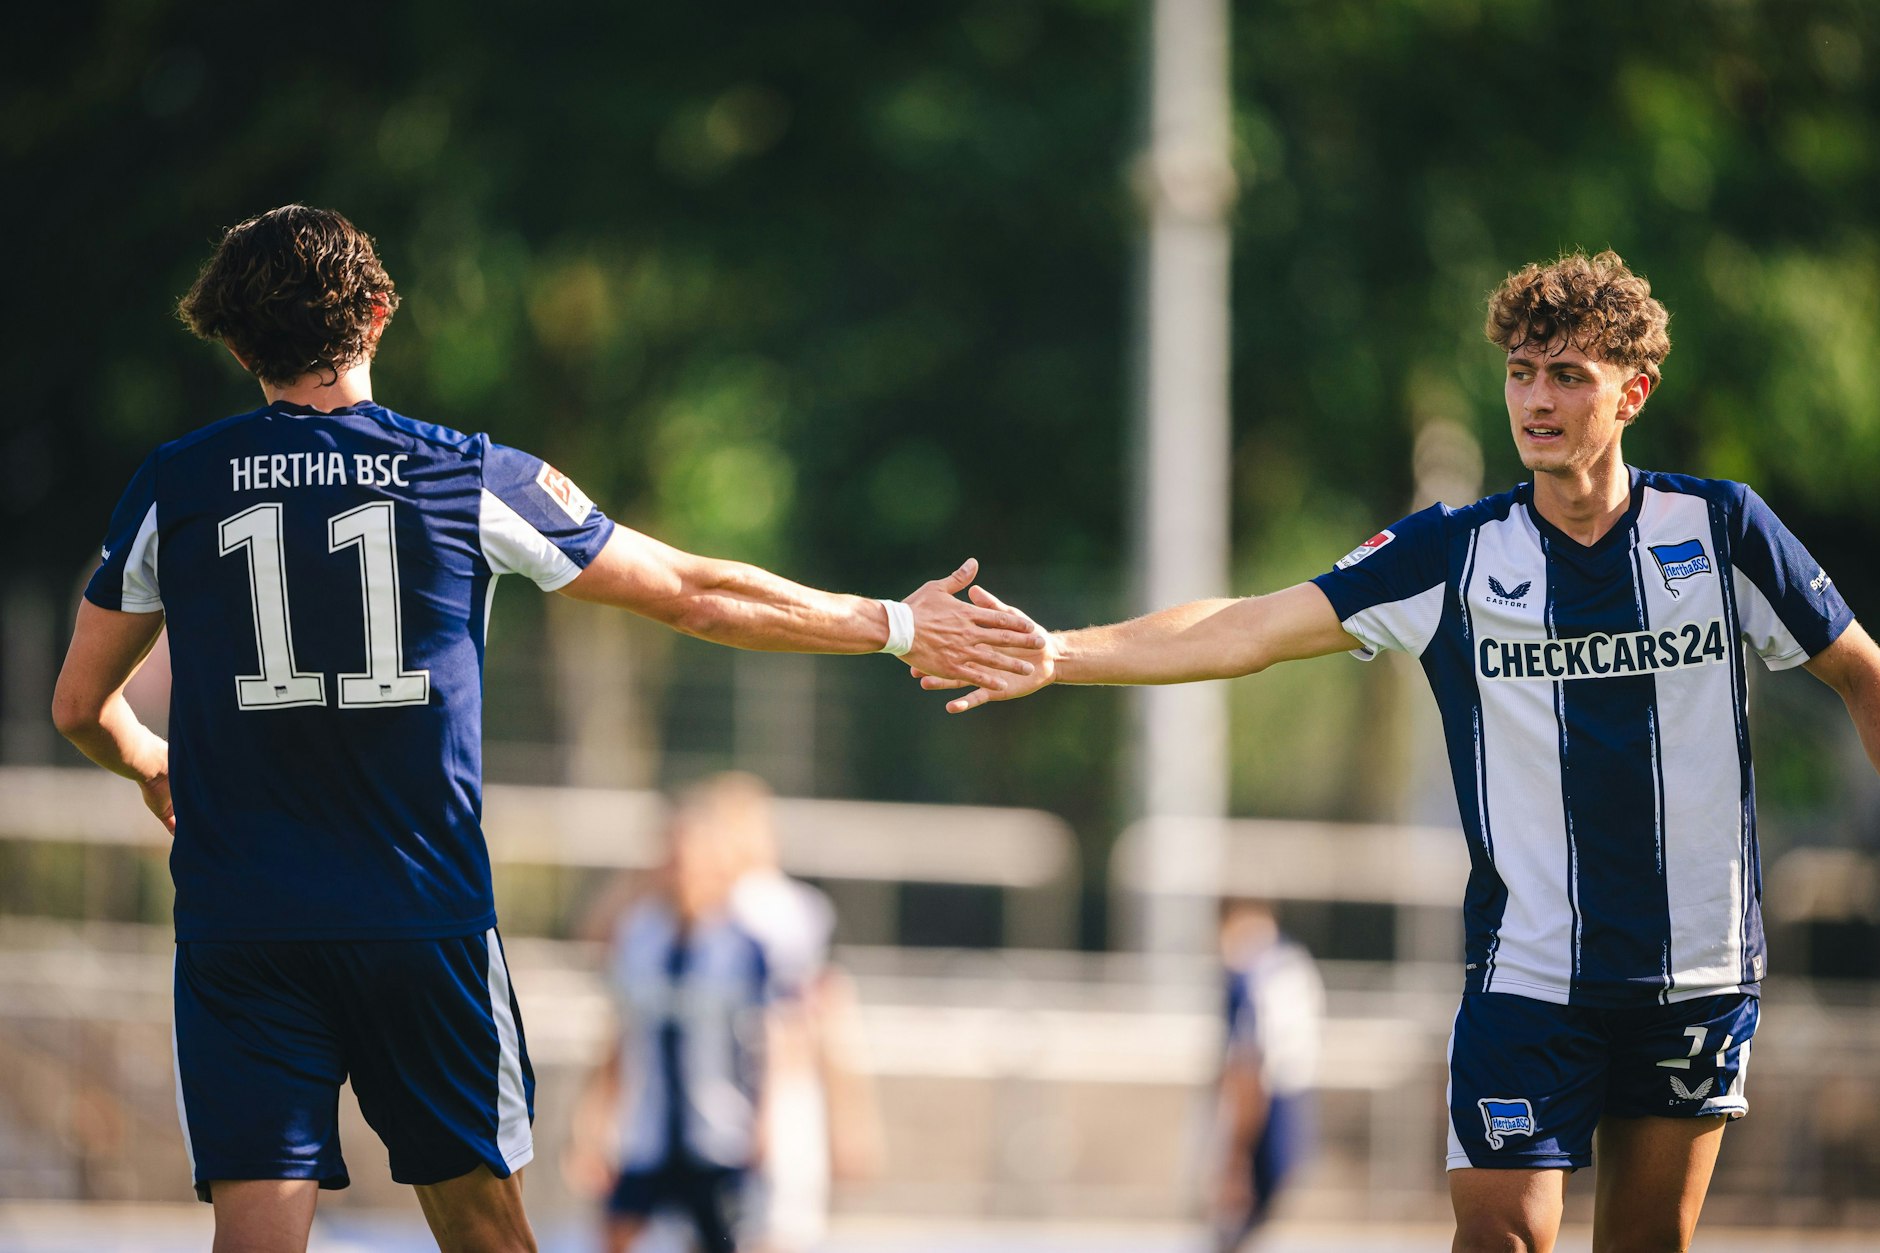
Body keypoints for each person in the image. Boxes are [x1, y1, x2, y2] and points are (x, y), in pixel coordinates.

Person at [48, 204, 1044, 1253]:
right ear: (379, 314)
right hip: (419, 915)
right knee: (485, 1229)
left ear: (236, 340)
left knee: (255, 1234)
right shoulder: (461, 472)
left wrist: (154, 764)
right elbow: (691, 592)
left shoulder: (176, 483)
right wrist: (892, 625)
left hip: (242, 920)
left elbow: (79, 706)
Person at [920, 250, 1880, 1252]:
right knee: (1502, 1234)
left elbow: (1859, 672)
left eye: (1565, 375)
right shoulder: (1453, 551)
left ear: (1630, 392)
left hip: (1696, 967)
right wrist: (1061, 651)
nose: (1535, 400)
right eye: (1519, 372)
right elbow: (1250, 624)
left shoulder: (1720, 528)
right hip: (1528, 973)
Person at [569, 783, 776, 1253]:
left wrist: (766, 1122)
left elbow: (768, 1042)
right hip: (647, 1133)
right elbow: (618, 1035)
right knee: (615, 1232)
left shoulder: (743, 946)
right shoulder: (639, 937)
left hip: (719, 1133)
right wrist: (592, 1125)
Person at [1210, 900, 1321, 1250]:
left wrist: (1236, 1151)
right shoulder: (1273, 967)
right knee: (1252, 1198)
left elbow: (1253, 1057)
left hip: (1274, 1092)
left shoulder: (1263, 971)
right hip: (1274, 1090)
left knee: (1255, 1195)